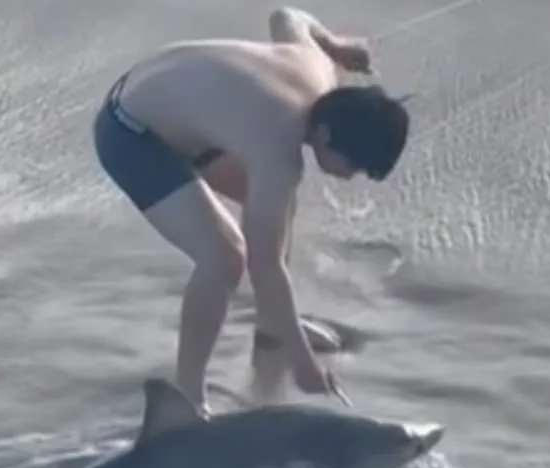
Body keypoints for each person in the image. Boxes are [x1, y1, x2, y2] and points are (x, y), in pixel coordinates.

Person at [92, 6, 411, 413]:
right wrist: (302, 364)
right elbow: (265, 266)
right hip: (130, 133)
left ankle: (272, 332)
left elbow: (287, 17)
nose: (352, 176)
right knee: (225, 258)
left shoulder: (319, 69)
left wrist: (335, 44)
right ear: (326, 134)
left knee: (276, 212)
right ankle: (187, 399)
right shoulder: (278, 149)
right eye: (354, 165)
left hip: (179, 108)